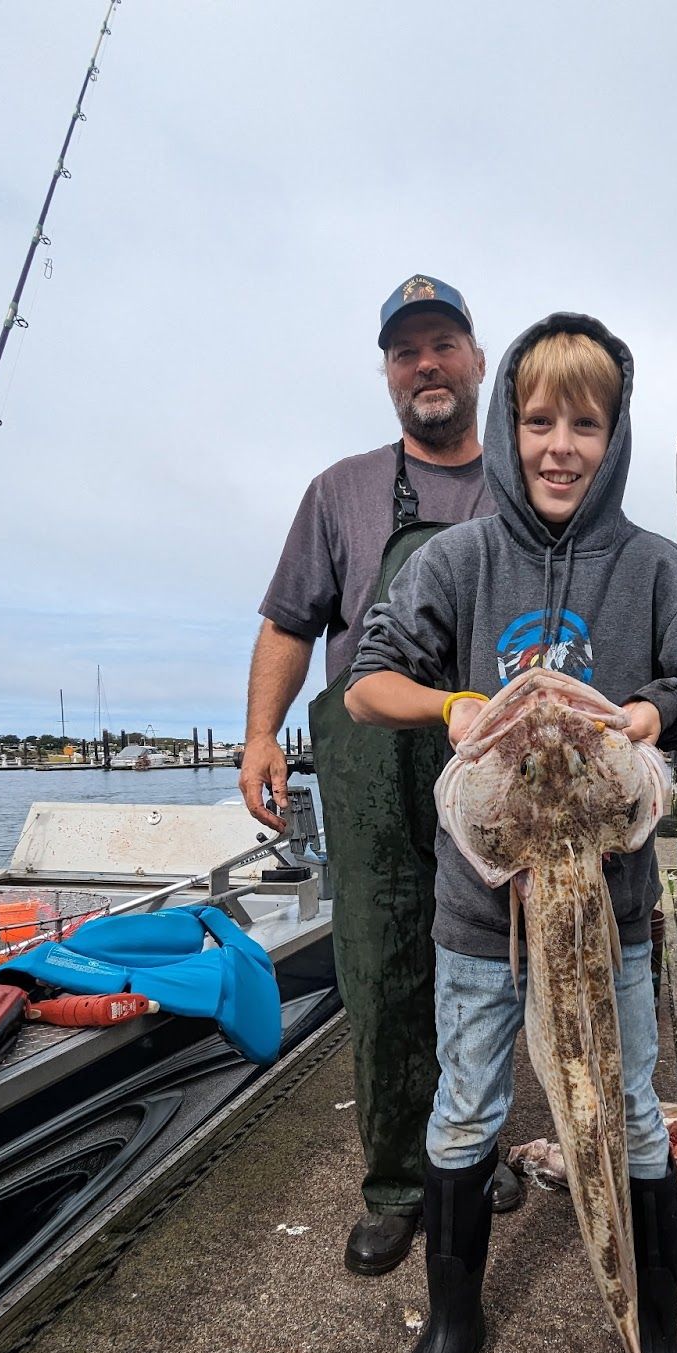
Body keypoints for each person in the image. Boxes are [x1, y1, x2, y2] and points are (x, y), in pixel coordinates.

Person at [344, 313, 677, 1353]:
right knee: (464, 1111)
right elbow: (365, 681)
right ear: (508, 426)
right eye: (538, 420)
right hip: (481, 914)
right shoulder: (456, 559)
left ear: (613, 434)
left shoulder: (654, 569)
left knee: (626, 1114)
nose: (559, 445)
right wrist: (453, 709)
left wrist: (650, 712)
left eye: (585, 423)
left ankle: (651, 1342)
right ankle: (450, 1327)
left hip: (604, 907)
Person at [240, 275, 521, 1279]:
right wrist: (260, 735)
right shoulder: (340, 491)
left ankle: (476, 1153)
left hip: (490, 760)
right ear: (388, 373)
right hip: (369, 764)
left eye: (443, 344)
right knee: (381, 963)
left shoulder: (523, 487)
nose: (426, 365)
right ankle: (398, 1184)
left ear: (478, 359)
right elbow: (288, 624)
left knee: (489, 962)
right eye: (406, 352)